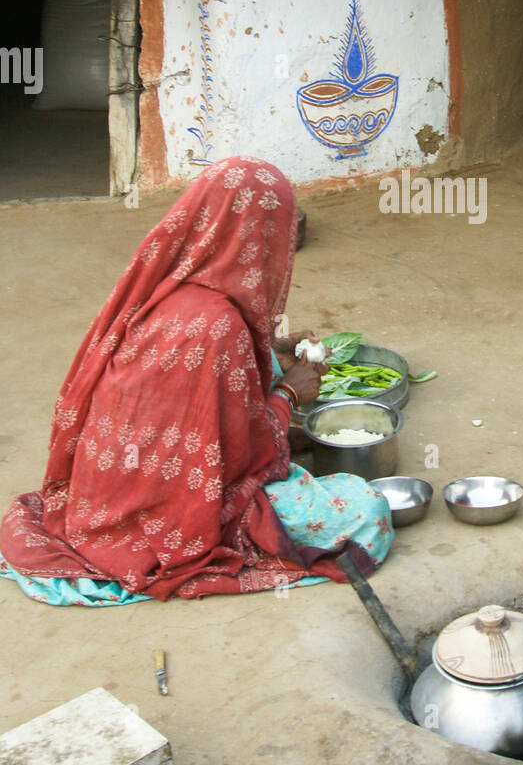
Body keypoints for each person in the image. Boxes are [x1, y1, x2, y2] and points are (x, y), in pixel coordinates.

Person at [0, 156, 393, 603]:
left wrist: (272, 354)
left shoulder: (166, 282)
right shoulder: (217, 326)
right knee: (368, 512)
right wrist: (288, 392)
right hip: (162, 514)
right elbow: (238, 457)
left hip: (104, 494)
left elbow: (207, 387)